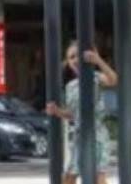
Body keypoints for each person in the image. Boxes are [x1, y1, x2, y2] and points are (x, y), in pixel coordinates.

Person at [45, 41, 119, 184]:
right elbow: (72, 114)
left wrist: (98, 60)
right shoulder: (70, 86)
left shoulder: (96, 77)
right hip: (78, 136)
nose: (75, 60)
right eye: (71, 57)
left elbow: (113, 80)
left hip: (97, 134)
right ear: (68, 62)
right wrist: (57, 111)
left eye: (78, 55)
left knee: (97, 177)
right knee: (69, 177)